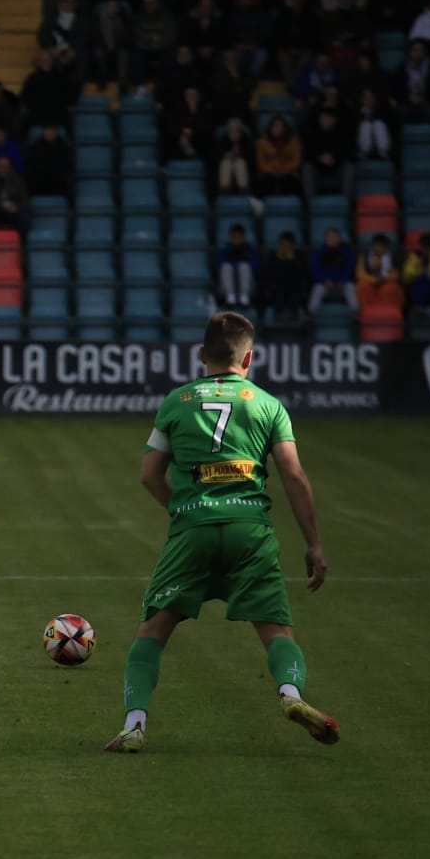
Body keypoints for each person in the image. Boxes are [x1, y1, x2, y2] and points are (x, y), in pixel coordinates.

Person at [105, 311, 338, 754]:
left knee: (152, 632)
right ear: (248, 358)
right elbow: (294, 477)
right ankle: (291, 696)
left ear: (200, 355)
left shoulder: (177, 401)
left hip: (193, 529)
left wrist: (182, 508)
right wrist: (314, 543)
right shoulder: (268, 405)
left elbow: (149, 474)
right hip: (250, 532)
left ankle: (134, 725)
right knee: (276, 633)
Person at [307, 227, 358, 314]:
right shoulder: (319, 253)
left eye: (335, 237)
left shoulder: (347, 253)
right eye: (330, 237)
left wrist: (342, 280)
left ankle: (355, 313)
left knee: (350, 287)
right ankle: (311, 314)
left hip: (342, 284)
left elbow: (349, 268)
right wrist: (325, 280)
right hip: (325, 284)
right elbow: (315, 269)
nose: (333, 240)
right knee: (317, 288)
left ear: (339, 239)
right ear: (325, 239)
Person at [215, 223, 258, 307]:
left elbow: (255, 267)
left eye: (239, 237)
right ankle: (230, 296)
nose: (237, 239)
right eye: (235, 237)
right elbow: (219, 265)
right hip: (226, 287)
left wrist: (241, 263)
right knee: (226, 266)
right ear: (231, 237)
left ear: (243, 237)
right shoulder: (224, 251)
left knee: (244, 266)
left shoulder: (251, 252)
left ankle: (244, 297)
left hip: (248, 286)